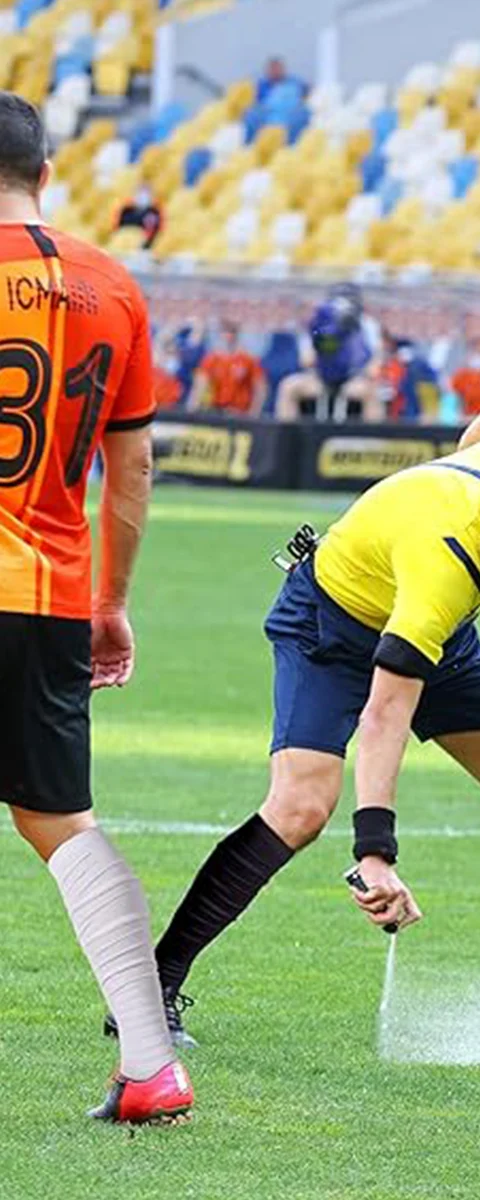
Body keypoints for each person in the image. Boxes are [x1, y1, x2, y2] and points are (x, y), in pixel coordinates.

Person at [104, 407, 480, 1047]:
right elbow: (385, 714)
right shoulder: (445, 559)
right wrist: (375, 854)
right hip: (332, 627)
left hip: (441, 632)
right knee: (301, 806)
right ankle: (149, 992)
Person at [0, 92, 193, 1123]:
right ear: (47, 170)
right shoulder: (110, 283)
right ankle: (151, 1063)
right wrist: (109, 601)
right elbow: (133, 469)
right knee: (62, 823)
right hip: (45, 590)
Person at [276, 284, 382, 422]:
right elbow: (306, 359)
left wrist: (364, 371)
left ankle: (372, 440)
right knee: (289, 386)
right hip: (321, 380)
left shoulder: (368, 325)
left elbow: (376, 360)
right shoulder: (319, 324)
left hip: (353, 380)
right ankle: (287, 437)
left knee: (372, 393)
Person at [193, 320, 266, 416]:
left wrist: (253, 414)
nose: (228, 336)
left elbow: (260, 388)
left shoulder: (249, 359)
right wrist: (194, 409)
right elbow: (200, 385)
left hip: (240, 412)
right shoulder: (211, 359)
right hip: (216, 411)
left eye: (231, 332)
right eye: (225, 332)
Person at [115, 185, 162, 249]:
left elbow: (156, 232)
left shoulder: (154, 212)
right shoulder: (127, 210)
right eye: (139, 194)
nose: (142, 197)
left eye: (145, 194)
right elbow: (119, 227)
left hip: (143, 246)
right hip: (122, 241)